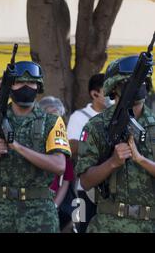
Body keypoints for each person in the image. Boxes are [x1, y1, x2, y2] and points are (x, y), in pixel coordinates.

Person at [0, 61, 71, 233]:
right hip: (0, 210)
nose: (26, 87)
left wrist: (16, 146)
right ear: (10, 87)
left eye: (31, 83)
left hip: (39, 210)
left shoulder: (52, 122)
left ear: (38, 87)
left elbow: (59, 166)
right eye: (19, 82)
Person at [76, 56, 155, 233]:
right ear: (114, 87)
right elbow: (86, 182)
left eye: (142, 80)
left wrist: (141, 160)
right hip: (108, 225)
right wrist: (112, 162)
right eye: (129, 81)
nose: (137, 85)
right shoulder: (96, 126)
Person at [67, 74, 108, 233]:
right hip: (82, 189)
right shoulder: (79, 117)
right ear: (94, 94)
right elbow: (70, 148)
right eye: (107, 91)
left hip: (108, 190)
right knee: (80, 228)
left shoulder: (117, 117)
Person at [39, 96, 76, 232]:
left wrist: (55, 205)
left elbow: (66, 181)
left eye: (58, 118)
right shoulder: (33, 143)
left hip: (52, 202)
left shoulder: (62, 147)